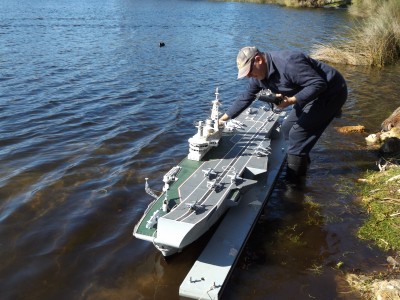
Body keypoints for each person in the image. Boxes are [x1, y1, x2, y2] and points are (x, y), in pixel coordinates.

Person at [219, 46, 348, 179]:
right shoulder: (258, 76)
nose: (249, 76)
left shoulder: (288, 62)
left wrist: (291, 100)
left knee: (297, 135)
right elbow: (246, 97)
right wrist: (222, 120)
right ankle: (302, 161)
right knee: (287, 129)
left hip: (331, 92)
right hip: (308, 93)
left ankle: (294, 186)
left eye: (249, 72)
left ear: (258, 60)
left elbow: (318, 84)